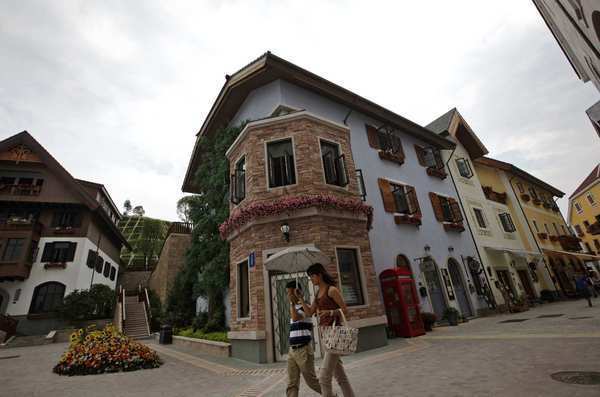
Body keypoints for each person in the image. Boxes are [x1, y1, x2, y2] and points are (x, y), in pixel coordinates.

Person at [296, 263, 356, 397]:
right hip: (326, 337)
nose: (311, 279)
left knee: (323, 377)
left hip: (335, 336)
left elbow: (345, 310)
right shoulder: (317, 294)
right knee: (340, 376)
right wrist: (300, 298)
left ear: (319, 275)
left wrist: (329, 313)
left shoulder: (332, 290)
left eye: (312, 276)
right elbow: (310, 312)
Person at [285, 280, 321, 397]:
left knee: (312, 382)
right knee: (292, 383)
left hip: (303, 350)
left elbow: (296, 318)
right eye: (287, 293)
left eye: (290, 293)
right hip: (292, 350)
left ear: (297, 292)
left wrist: (296, 302)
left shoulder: (306, 307)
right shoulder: (293, 308)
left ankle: (331, 395)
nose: (288, 296)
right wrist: (292, 305)